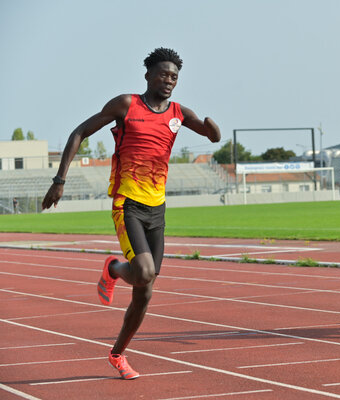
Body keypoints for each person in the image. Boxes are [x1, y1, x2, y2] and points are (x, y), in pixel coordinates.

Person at [42, 48, 221, 379]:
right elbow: (78, 132)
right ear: (148, 75)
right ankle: (113, 267)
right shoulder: (126, 105)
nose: (169, 81)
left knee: (147, 288)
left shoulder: (179, 112)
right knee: (142, 272)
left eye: (175, 77)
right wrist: (59, 180)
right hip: (128, 204)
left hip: (158, 208)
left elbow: (209, 133)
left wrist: (213, 130)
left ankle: (117, 354)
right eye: (164, 74)